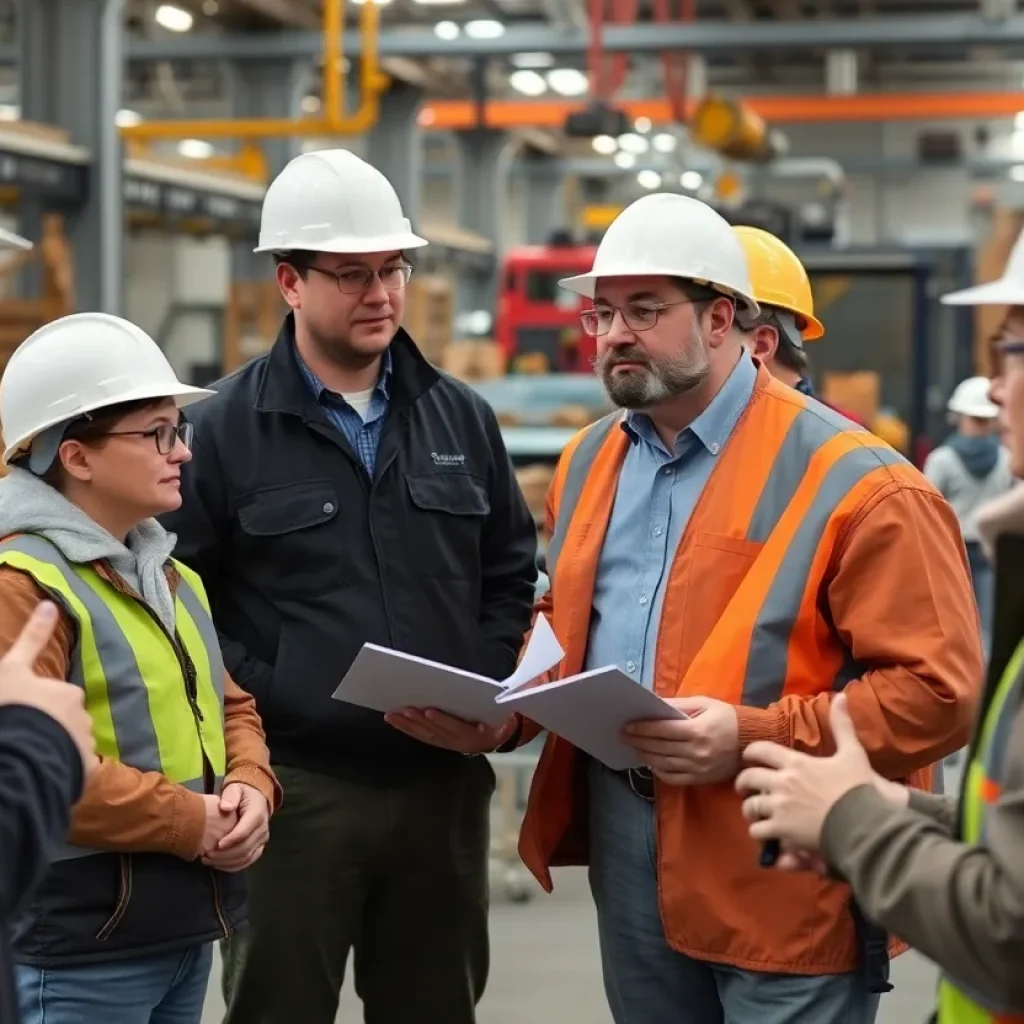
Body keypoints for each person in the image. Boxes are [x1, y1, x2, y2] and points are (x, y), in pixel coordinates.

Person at [498, 193, 980, 1024]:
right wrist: (503, 710)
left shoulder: (863, 483)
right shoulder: (587, 463)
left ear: (723, 317)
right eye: (602, 313)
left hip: (782, 847)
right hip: (628, 832)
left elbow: (939, 695)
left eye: (644, 310)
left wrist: (749, 734)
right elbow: (567, 622)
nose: (614, 333)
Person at [162, 148, 537, 1024]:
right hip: (296, 790)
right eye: (353, 274)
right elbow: (179, 598)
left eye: (393, 270)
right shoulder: (218, 432)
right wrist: (277, 691)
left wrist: (482, 686)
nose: (381, 294)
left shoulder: (460, 417)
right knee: (278, 1008)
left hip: (440, 787)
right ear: (290, 282)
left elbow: (510, 569)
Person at [735, 228, 1024, 1024]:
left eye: (1014, 351)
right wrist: (893, 811)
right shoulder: (610, 463)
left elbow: (1012, 934)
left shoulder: (872, 484)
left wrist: (851, 819)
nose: (995, 388)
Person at [0, 312, 281, 1024]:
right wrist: (194, 822)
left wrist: (251, 786)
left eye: (177, 431)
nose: (182, 452)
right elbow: (32, 767)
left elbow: (231, 708)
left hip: (182, 928)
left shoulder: (171, 574)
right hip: (80, 949)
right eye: (156, 433)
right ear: (77, 456)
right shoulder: (22, 585)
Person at [0, 603, 97, 1024]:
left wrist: (251, 776)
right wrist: (42, 737)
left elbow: (230, 702)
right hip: (83, 930)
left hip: (182, 913)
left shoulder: (172, 575)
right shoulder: (19, 577)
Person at [923, 375, 1013, 651]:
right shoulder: (1008, 459)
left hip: (951, 552)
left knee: (951, 624)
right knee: (986, 628)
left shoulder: (942, 460)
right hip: (992, 551)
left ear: (958, 416)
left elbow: (926, 512)